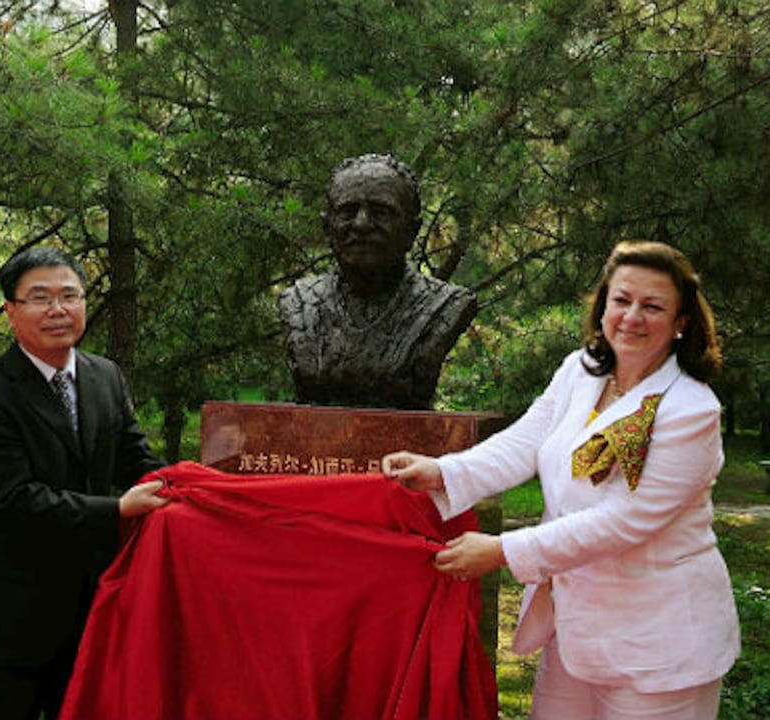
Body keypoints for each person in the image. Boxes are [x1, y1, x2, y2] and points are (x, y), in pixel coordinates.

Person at [383, 240, 740, 720]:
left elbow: (625, 521)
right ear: (603, 306)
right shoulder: (580, 371)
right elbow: (525, 442)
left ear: (681, 324)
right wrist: (442, 470)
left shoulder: (691, 410)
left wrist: (502, 551)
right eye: (621, 300)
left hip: (660, 643)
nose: (632, 316)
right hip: (574, 628)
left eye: (652, 306)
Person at [0, 247, 170, 720]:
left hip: (96, 613)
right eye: (40, 298)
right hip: (15, 627)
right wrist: (115, 511)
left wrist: (193, 489)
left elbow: (138, 460)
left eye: (69, 295)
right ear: (10, 311)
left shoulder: (104, 376)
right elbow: (14, 500)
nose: (58, 310)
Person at [278, 153, 477, 410]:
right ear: (327, 227)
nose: (361, 224)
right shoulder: (299, 304)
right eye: (347, 212)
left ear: (412, 230)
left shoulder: (446, 305)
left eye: (381, 212)